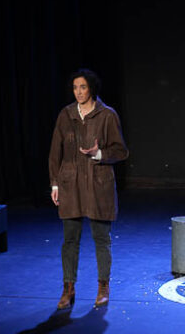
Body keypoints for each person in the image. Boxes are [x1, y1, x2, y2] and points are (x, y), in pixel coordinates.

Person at [49, 68, 129, 310]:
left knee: (101, 239)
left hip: (97, 184)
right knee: (69, 240)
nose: (79, 92)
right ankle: (68, 289)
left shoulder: (107, 115)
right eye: (75, 88)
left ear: (91, 88)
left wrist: (99, 153)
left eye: (83, 87)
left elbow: (121, 151)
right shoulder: (66, 115)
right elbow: (55, 152)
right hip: (70, 184)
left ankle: (103, 287)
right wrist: (54, 183)